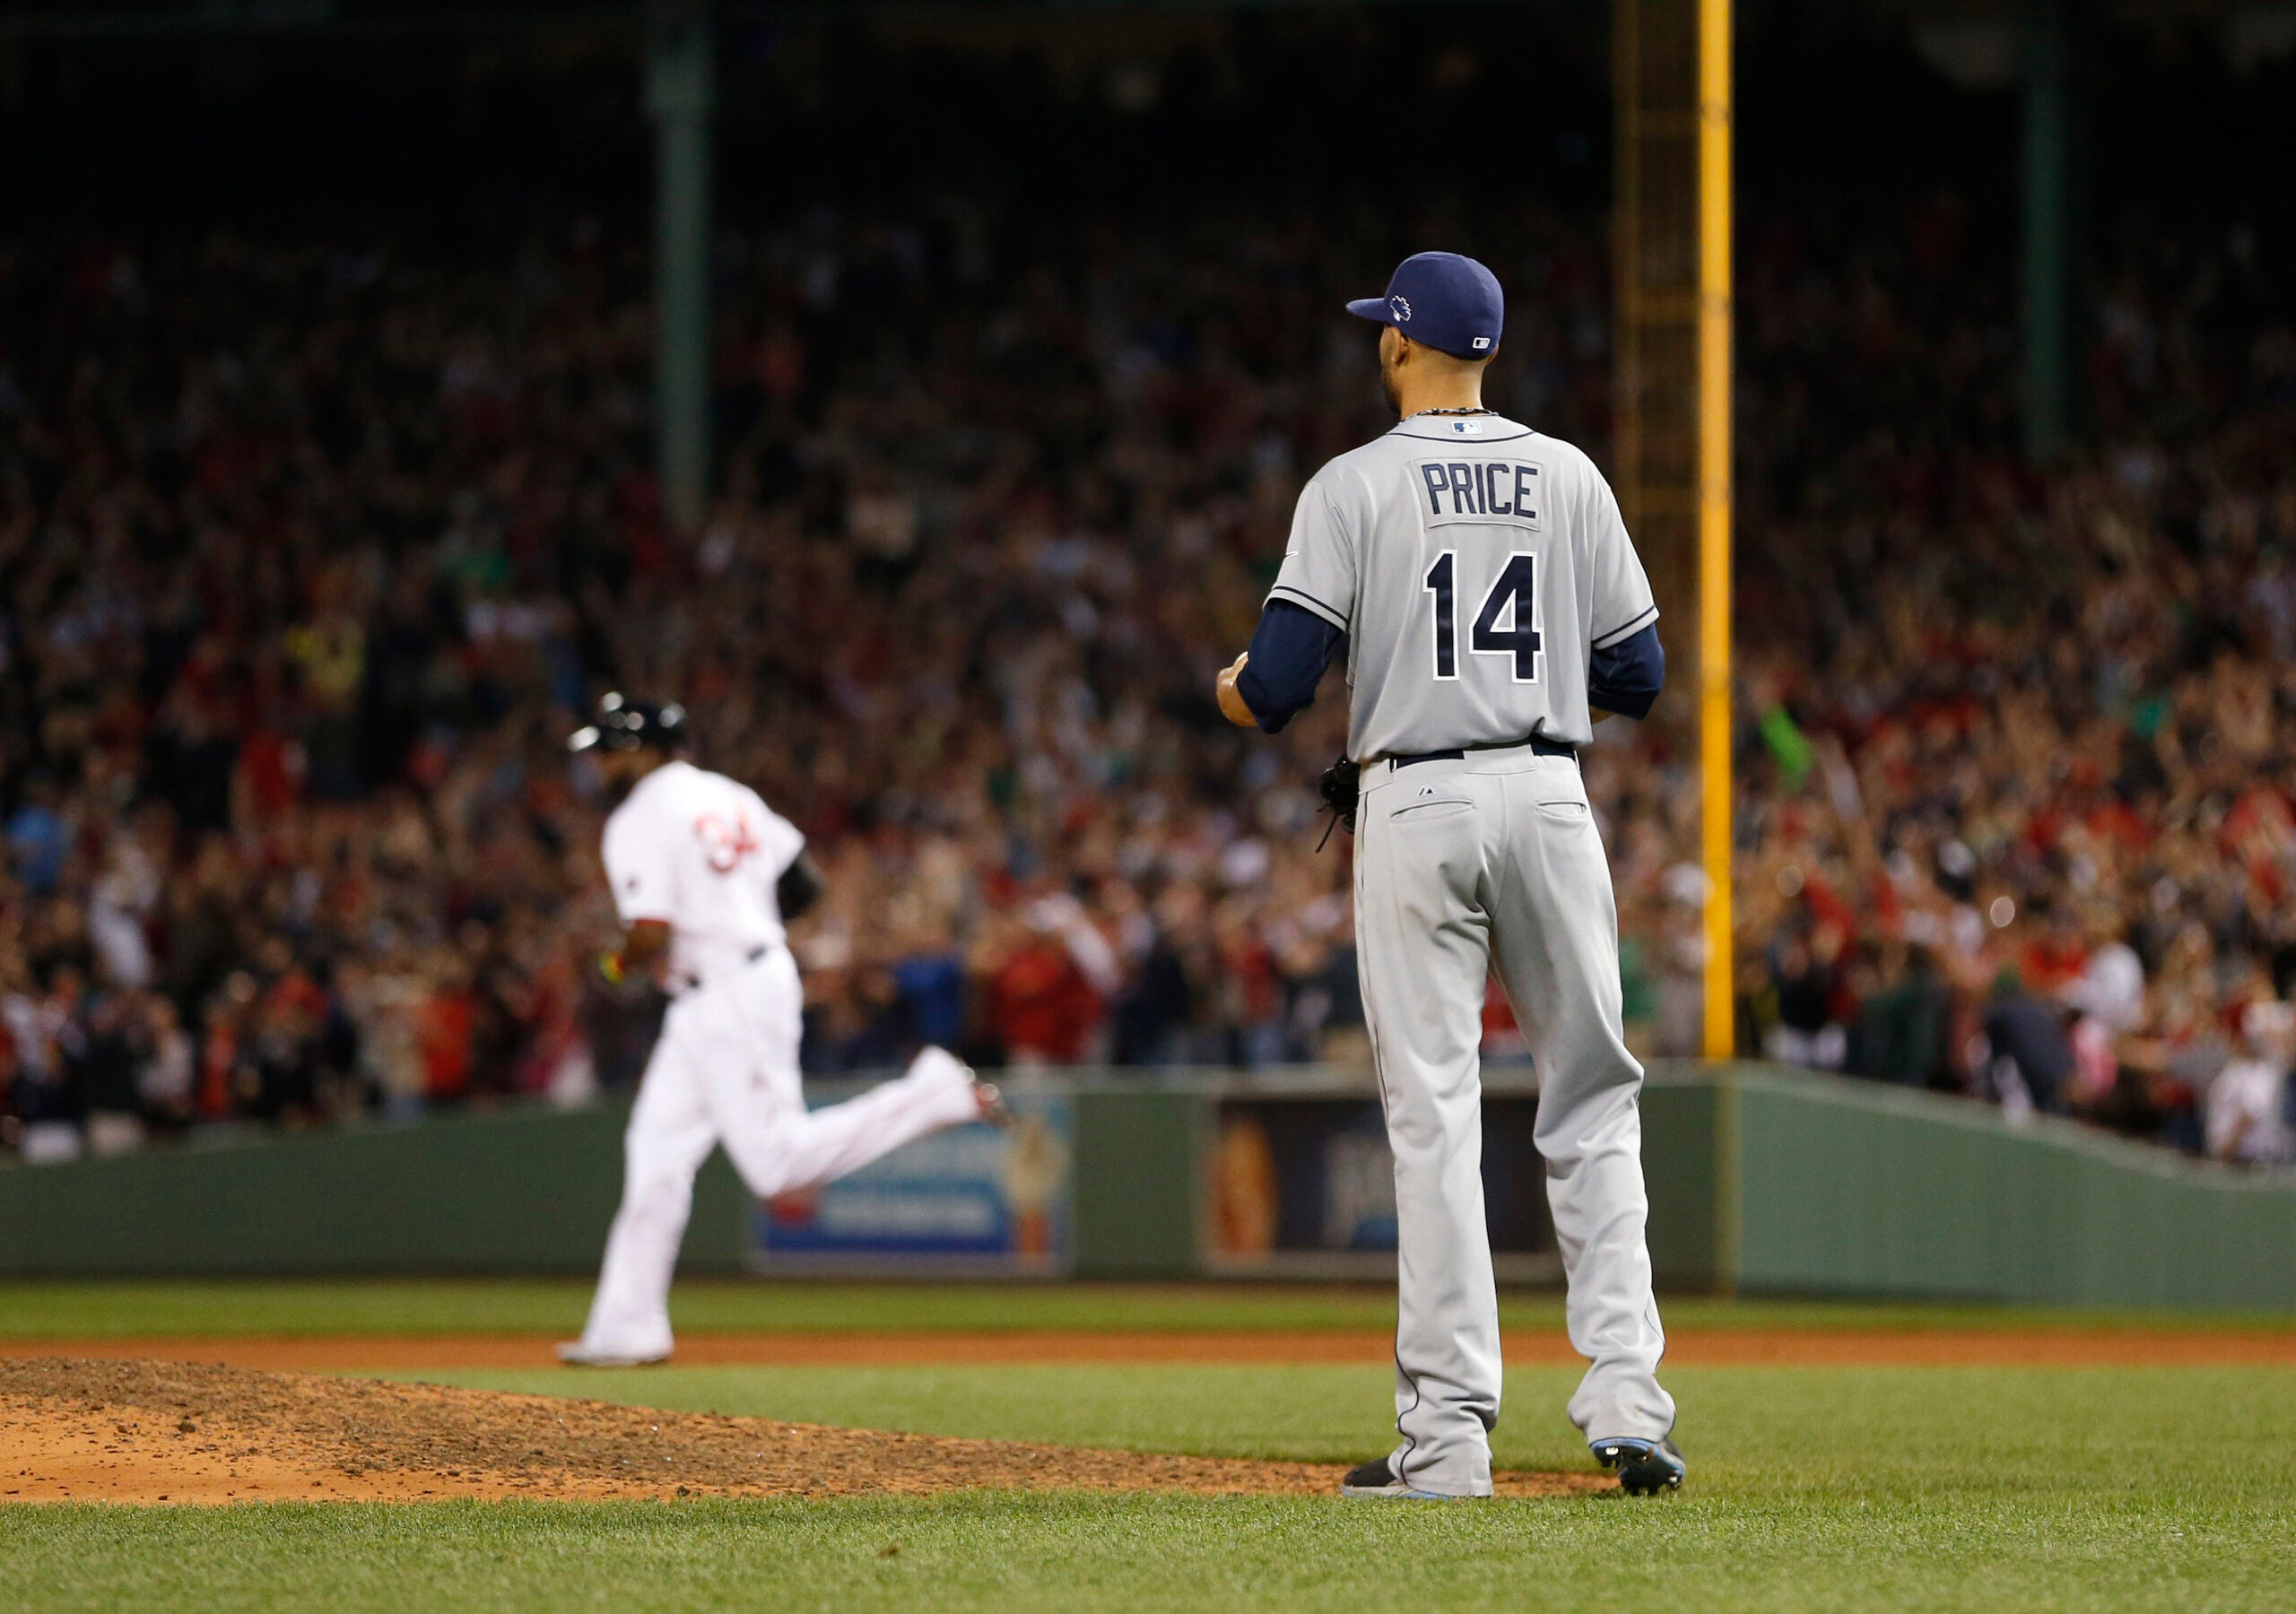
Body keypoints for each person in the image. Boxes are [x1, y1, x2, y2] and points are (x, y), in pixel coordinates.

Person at [1213, 252, 1680, 1497]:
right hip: (1548, 795)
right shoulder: (1568, 473)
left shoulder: (1354, 484)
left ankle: (1450, 1441)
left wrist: (1229, 689)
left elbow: (1270, 688)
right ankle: (1629, 1396)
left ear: (1395, 344)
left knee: (1434, 1117)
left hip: (1415, 799)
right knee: (1593, 1101)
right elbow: (1638, 676)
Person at [558, 694, 1006, 1366]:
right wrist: (738, 913)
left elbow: (648, 934)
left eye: (609, 751)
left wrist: (614, 963)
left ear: (645, 751)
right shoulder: (729, 795)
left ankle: (934, 1095)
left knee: (777, 1166)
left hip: (729, 989)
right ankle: (628, 1327)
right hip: (724, 986)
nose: (598, 765)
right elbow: (803, 883)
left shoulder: (640, 814)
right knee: (655, 1153)